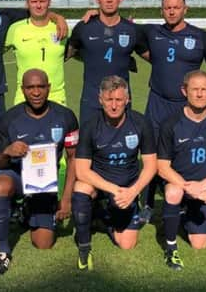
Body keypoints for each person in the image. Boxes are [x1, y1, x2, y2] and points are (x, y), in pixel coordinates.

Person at [138, 0, 206, 223]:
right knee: (152, 153)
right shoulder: (153, 32)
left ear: (186, 9)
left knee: (183, 154)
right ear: (161, 11)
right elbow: (127, 33)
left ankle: (189, 200)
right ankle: (146, 204)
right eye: (167, 8)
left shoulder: (201, 37)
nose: (172, 11)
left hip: (185, 105)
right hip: (157, 103)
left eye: (176, 7)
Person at [0, 69, 78, 275]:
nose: (36, 92)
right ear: (23, 90)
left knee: (43, 243)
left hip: (44, 183)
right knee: (1, 185)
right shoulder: (9, 119)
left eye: (40, 87)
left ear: (48, 88)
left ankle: (26, 211)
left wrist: (66, 199)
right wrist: (8, 151)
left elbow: (73, 158)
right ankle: (3, 250)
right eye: (30, 88)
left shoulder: (65, 117)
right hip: (17, 178)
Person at [72, 75, 156, 271]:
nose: (114, 105)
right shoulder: (90, 126)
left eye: (119, 100)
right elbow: (82, 170)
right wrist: (114, 189)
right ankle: (84, 246)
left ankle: (102, 217)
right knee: (81, 187)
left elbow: (151, 165)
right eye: (109, 100)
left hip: (128, 189)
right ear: (100, 100)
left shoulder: (141, 123)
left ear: (127, 100)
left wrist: (132, 191)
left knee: (127, 244)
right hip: (101, 185)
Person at [157, 70, 206, 271]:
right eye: (195, 89)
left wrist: (204, 184)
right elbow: (162, 167)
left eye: (204, 89)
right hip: (178, 182)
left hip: (204, 189)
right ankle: (170, 247)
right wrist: (187, 187)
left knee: (199, 245)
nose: (200, 94)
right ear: (184, 91)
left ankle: (180, 216)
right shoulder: (171, 123)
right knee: (174, 192)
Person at [67, 0, 148, 125]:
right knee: (89, 145)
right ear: (98, 0)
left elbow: (156, 58)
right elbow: (67, 54)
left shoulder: (132, 30)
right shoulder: (84, 27)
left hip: (121, 101)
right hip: (91, 101)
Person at [5, 0, 68, 106]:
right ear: (27, 3)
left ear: (49, 2)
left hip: (56, 98)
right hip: (24, 99)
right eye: (34, 1)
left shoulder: (63, 29)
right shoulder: (15, 29)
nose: (38, 5)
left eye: (42, 1)